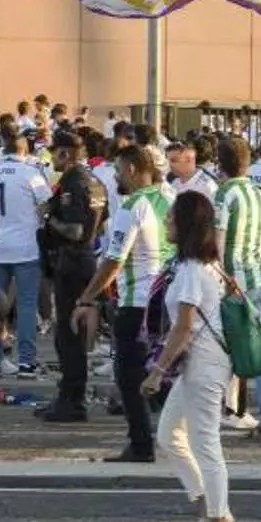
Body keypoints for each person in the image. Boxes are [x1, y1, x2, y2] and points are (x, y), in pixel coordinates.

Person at [72, 144, 175, 463]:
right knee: (166, 372)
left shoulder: (133, 205)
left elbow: (113, 261)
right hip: (168, 301)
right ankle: (181, 438)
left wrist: (87, 297)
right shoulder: (172, 198)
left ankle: (141, 444)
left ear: (132, 169)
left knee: (129, 376)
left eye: (118, 169)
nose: (115, 176)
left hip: (136, 302)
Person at [143, 191, 235, 522]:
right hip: (199, 364)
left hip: (205, 364)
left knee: (205, 442)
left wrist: (157, 372)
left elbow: (182, 329)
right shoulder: (202, 266)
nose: (166, 222)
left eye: (171, 218)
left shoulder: (193, 271)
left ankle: (217, 515)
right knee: (169, 435)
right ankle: (206, 501)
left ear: (185, 224)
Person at [37, 131, 108, 423]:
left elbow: (76, 230)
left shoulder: (73, 184)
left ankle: (72, 400)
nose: (52, 158)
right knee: (71, 334)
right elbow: (100, 226)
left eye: (55, 152)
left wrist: (48, 217)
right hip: (85, 260)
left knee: (68, 335)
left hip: (73, 261)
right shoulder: (96, 182)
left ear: (66, 153)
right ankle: (68, 395)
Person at [213, 136, 261, 440]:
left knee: (226, 349)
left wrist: (219, 277)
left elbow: (218, 241)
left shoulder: (225, 193)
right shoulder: (255, 192)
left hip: (235, 282)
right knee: (260, 348)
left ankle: (226, 410)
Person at [0, 125, 51, 378]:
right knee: (27, 304)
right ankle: (26, 361)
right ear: (25, 150)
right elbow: (46, 208)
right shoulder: (31, 174)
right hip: (25, 247)